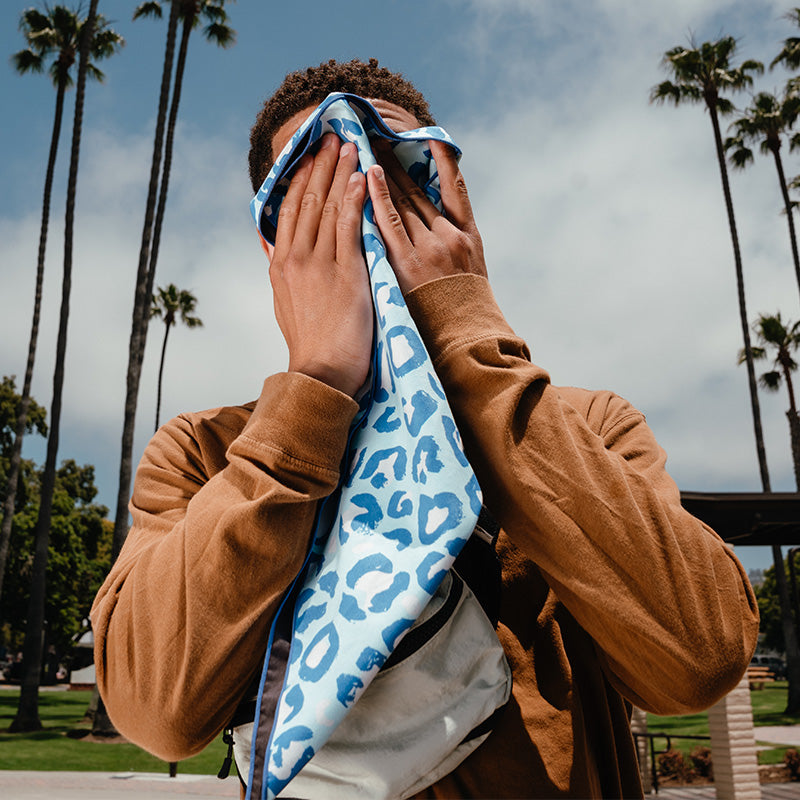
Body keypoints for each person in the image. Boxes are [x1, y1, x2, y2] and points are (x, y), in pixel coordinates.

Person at [91, 58, 759, 799]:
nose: (369, 208)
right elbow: (156, 711)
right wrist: (313, 388)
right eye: (318, 193)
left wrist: (469, 337)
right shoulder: (206, 452)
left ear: (457, 209)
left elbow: (701, 655)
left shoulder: (587, 426)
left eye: (405, 178)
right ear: (276, 250)